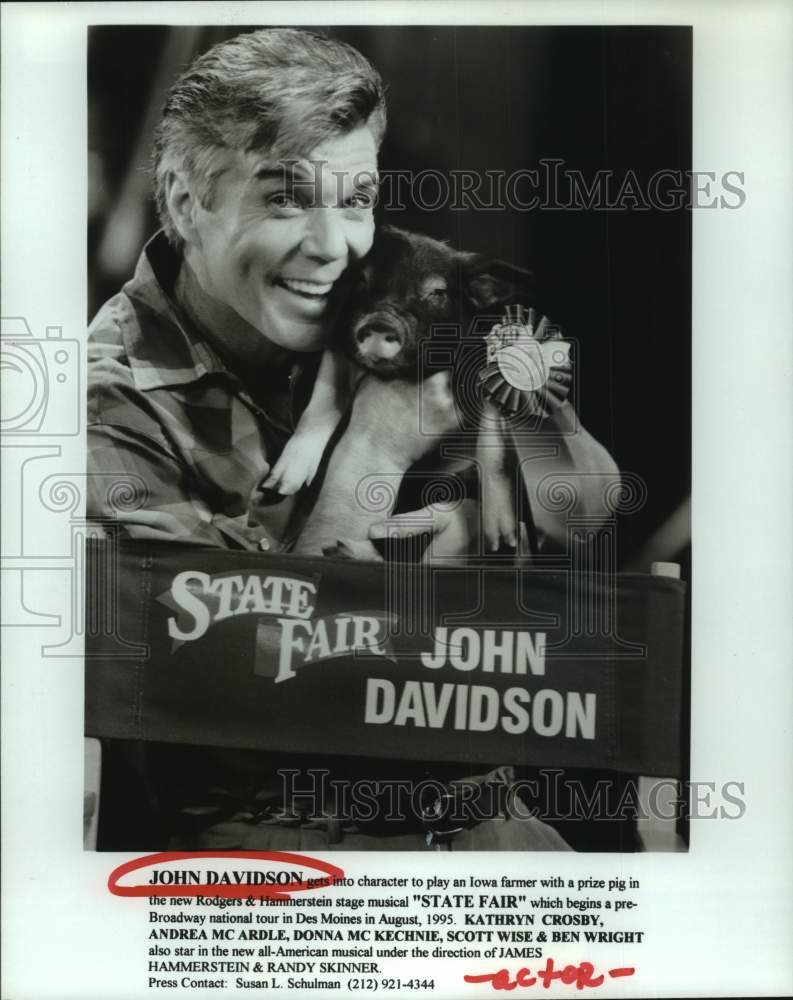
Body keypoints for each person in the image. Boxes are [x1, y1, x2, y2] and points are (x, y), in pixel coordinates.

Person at [87, 27, 618, 851]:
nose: (333, 250)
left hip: (485, 824)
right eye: (285, 198)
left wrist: (537, 407)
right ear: (188, 203)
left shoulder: (386, 302)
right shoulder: (102, 401)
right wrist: (371, 454)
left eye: (356, 200)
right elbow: (232, 684)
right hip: (277, 850)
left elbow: (579, 521)